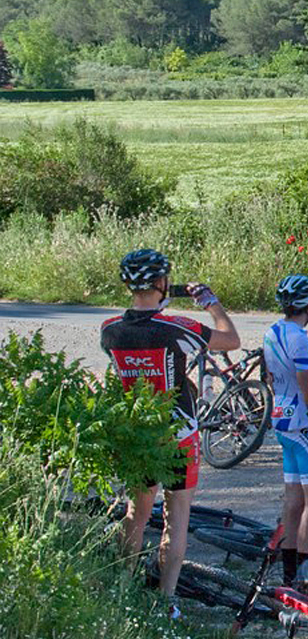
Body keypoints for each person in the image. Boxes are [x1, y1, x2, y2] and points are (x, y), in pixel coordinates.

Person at [101, 249, 240, 612]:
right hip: (179, 433)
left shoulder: (110, 330)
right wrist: (210, 302)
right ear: (162, 283)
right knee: (176, 520)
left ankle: (122, 590)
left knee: (136, 514)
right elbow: (231, 339)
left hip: (139, 434)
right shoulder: (177, 327)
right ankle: (167, 601)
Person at [262, 274, 308, 586]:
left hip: (282, 420)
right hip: (305, 425)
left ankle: (289, 576)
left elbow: (269, 377)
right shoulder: (299, 339)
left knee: (293, 502)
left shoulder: (272, 331)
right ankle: (305, 579)